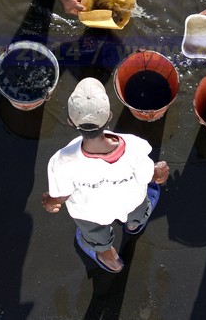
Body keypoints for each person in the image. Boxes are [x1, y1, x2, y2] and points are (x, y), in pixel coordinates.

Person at [42, 78, 170, 273]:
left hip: (91, 214)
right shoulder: (135, 146)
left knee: (95, 235)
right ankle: (134, 226)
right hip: (130, 202)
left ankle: (109, 259)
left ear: (70, 122)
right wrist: (158, 172)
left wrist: (51, 201)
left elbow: (60, 197)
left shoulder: (61, 161)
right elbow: (148, 176)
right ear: (109, 116)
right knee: (139, 208)